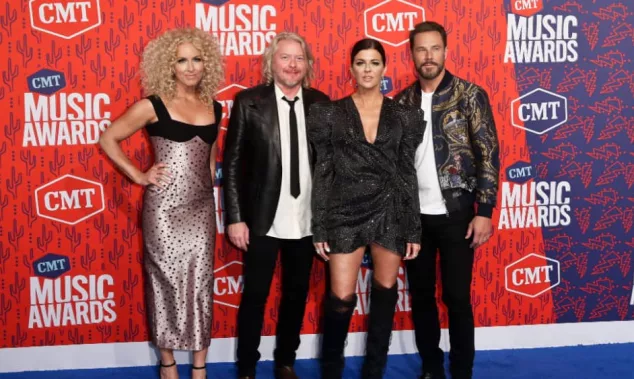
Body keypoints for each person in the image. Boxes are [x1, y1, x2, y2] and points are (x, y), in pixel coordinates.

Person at [99, 28, 223, 379]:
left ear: (206, 63)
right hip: (164, 210)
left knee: (201, 284)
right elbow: (109, 137)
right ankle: (168, 363)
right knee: (163, 282)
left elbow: (210, 157)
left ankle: (199, 369)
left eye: (197, 59)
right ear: (169, 65)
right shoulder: (152, 105)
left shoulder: (215, 106)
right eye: (181, 60)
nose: (190, 67)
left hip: (200, 209)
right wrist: (138, 176)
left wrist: (209, 184)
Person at [308, 38, 424, 379]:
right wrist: (321, 226)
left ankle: (374, 371)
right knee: (340, 298)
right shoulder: (329, 113)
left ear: (384, 68)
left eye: (374, 62)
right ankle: (332, 371)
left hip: (390, 210)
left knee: (385, 293)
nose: (368, 69)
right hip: (344, 213)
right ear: (351, 69)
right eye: (361, 63)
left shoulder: (404, 115)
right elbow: (323, 171)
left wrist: (412, 227)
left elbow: (406, 172)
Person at [394, 21, 500, 379]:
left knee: (456, 299)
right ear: (411, 54)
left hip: (457, 214)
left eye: (435, 48)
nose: (428, 56)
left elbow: (488, 154)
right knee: (422, 298)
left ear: (446, 51)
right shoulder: (401, 102)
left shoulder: (470, 95)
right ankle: (431, 368)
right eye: (421, 49)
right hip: (414, 219)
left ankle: (462, 371)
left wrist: (484, 211)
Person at [223, 32, 329, 379]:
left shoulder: (321, 103)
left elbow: (328, 166)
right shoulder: (248, 102)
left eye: (299, 58)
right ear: (272, 62)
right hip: (262, 218)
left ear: (307, 64)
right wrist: (236, 218)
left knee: (296, 295)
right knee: (255, 295)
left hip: (306, 219)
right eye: (285, 57)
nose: (292, 64)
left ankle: (285, 361)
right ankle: (248, 368)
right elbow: (234, 163)